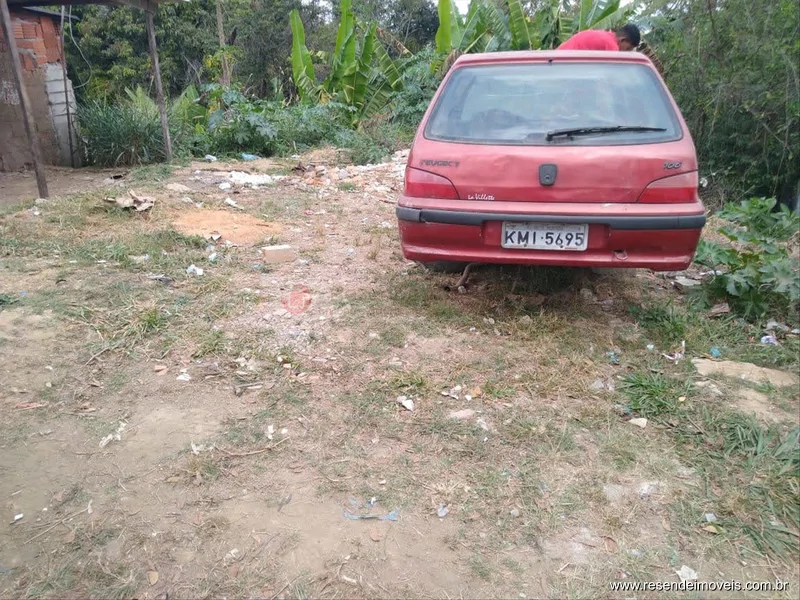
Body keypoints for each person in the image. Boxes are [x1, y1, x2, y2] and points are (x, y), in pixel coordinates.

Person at [557, 24, 641, 51]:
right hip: (566, 63)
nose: (624, 53)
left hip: (558, 55)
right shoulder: (612, 46)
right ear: (623, 40)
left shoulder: (607, 36)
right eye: (627, 49)